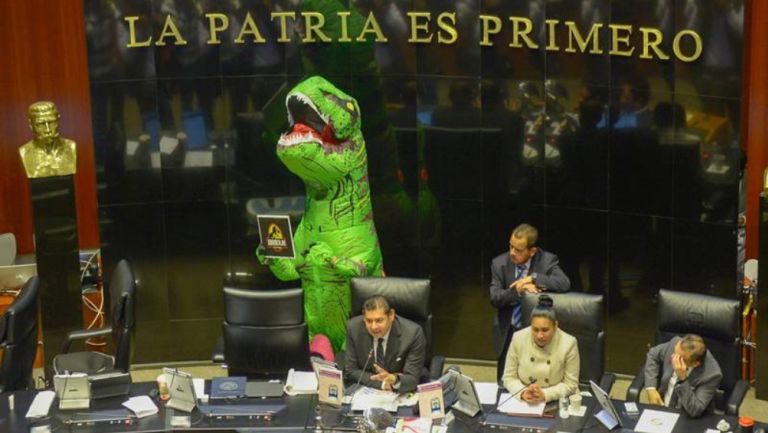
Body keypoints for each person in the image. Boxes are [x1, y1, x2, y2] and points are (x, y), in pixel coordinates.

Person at [490, 223, 571, 381]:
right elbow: (495, 298)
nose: (512, 253)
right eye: (511, 246)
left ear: (532, 251)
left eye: (518, 250)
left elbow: (564, 283)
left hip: (536, 333)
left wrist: (533, 278)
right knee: (505, 383)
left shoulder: (546, 261)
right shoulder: (499, 263)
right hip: (509, 331)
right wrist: (519, 290)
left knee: (534, 382)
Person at [502, 295, 579, 403]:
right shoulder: (518, 338)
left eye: (545, 330)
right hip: (525, 399)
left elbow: (571, 385)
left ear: (555, 326)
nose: (539, 335)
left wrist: (545, 394)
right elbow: (508, 377)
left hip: (557, 400)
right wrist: (523, 392)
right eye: (535, 329)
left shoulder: (569, 343)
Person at [344, 295, 426, 393]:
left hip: (399, 392)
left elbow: (412, 379)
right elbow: (351, 370)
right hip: (365, 393)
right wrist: (382, 384)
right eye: (369, 321)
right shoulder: (353, 328)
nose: (374, 327)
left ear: (391, 315)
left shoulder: (412, 333)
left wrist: (394, 379)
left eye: (379, 320)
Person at [643, 334, 723, 417]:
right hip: (661, 407)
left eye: (679, 358)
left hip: (686, 416)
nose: (673, 358)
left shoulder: (712, 375)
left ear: (695, 364)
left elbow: (695, 410)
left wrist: (683, 379)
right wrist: (651, 388)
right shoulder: (675, 343)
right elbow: (653, 354)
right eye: (674, 352)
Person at [19, 101, 77, 179]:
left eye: (52, 122)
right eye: (40, 124)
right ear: (31, 125)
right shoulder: (24, 152)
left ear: (58, 120)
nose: (48, 130)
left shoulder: (71, 147)